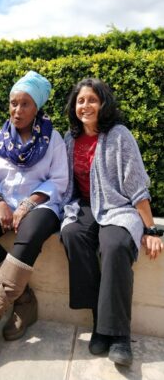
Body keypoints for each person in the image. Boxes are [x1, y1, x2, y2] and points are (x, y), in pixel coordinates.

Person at [0, 70, 68, 374]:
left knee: (30, 232)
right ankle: (24, 302)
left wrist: (25, 205)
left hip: (42, 204)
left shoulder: (53, 139)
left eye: (25, 104)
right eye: (13, 103)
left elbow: (59, 181)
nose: (17, 111)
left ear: (37, 108)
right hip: (1, 201)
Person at [60, 78, 163, 367]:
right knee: (72, 235)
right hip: (83, 205)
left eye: (92, 99)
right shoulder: (70, 138)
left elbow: (137, 186)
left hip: (118, 207)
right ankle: (99, 321)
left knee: (116, 245)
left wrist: (149, 227)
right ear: (74, 106)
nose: (85, 106)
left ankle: (118, 335)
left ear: (103, 103)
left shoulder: (119, 135)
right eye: (81, 101)